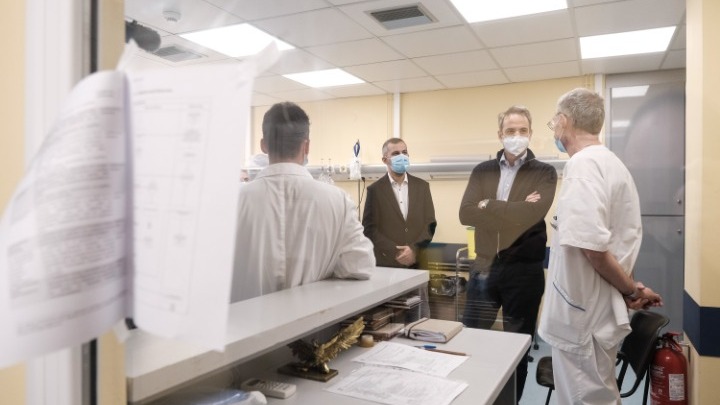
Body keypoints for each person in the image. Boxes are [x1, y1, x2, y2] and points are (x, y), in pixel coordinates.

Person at [538, 88, 663, 404]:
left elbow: (593, 250)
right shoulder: (611, 164)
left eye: (554, 122)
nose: (554, 129)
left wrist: (630, 290)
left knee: (586, 398)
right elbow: (613, 243)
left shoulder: (583, 165)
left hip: (582, 319)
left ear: (564, 121)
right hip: (593, 314)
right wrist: (630, 288)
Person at [458, 104, 557, 402]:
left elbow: (532, 214)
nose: (517, 136)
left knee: (518, 347)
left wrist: (488, 205)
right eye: (511, 131)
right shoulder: (483, 171)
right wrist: (515, 210)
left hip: (523, 272)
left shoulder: (544, 172)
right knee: (472, 339)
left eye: (522, 130)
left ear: (531, 133)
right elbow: (465, 213)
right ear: (500, 134)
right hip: (485, 267)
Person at [230, 102, 375, 302]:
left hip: (245, 320)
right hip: (313, 318)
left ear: (264, 145)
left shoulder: (234, 202)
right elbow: (360, 266)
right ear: (306, 146)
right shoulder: (338, 201)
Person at [362, 138, 436, 317]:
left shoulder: (422, 187)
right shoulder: (375, 190)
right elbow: (369, 229)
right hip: (387, 267)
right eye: (395, 153)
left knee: (419, 320)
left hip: (416, 266)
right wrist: (396, 252)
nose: (402, 156)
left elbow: (430, 224)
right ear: (385, 159)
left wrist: (414, 250)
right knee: (390, 322)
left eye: (404, 152)